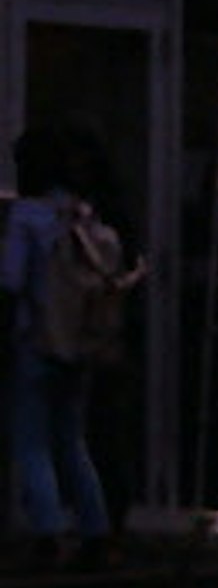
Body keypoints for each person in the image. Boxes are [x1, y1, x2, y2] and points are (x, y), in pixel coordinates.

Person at [6, 120, 134, 562]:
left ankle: (49, 530)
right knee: (71, 439)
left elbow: (11, 280)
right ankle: (96, 530)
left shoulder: (28, 217)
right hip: (81, 343)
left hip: (36, 340)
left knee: (30, 441)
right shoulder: (86, 217)